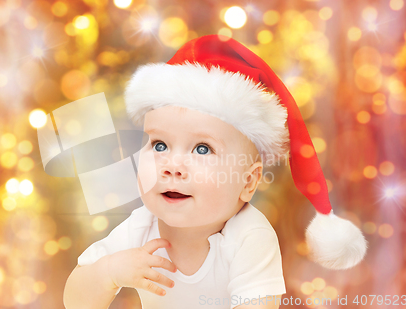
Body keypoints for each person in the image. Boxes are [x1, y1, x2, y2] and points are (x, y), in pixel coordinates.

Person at [63, 35, 367, 309]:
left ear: (248, 182)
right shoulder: (141, 227)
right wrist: (108, 273)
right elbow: (75, 302)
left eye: (202, 149)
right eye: (159, 145)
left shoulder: (249, 238)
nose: (171, 165)